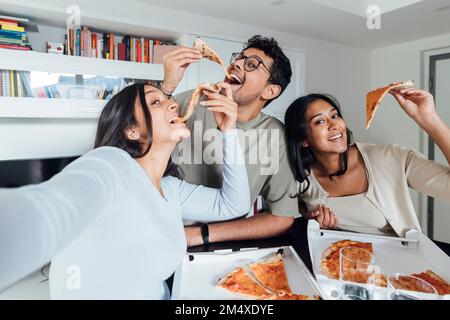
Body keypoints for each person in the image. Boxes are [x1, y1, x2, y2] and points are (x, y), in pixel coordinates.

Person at [0, 82, 250, 299]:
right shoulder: (112, 164)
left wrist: (228, 132)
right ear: (132, 131)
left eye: (169, 99)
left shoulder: (171, 189)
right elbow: (48, 212)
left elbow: (234, 204)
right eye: (155, 102)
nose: (173, 104)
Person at [161, 35, 300, 247]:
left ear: (270, 90)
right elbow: (134, 139)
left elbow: (282, 217)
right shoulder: (192, 100)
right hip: (165, 234)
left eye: (251, 64)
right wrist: (166, 88)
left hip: (225, 243)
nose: (235, 63)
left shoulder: (276, 136)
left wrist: (201, 235)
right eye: (239, 58)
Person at [284, 88, 450, 237]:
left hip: (402, 265)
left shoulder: (389, 158)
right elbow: (297, 219)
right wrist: (318, 226)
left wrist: (428, 118)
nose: (335, 125)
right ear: (303, 140)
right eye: (320, 121)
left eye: (335, 116)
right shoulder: (299, 177)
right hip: (341, 263)